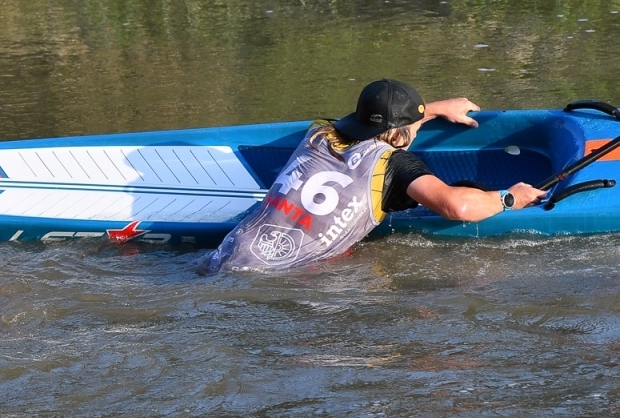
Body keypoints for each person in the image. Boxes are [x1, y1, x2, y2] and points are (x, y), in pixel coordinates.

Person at [205, 79, 545, 273]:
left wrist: (436, 108)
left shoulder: (320, 134)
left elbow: (379, 124)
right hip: (277, 276)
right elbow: (457, 207)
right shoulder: (396, 167)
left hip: (225, 253)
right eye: (414, 125)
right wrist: (510, 198)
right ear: (398, 136)